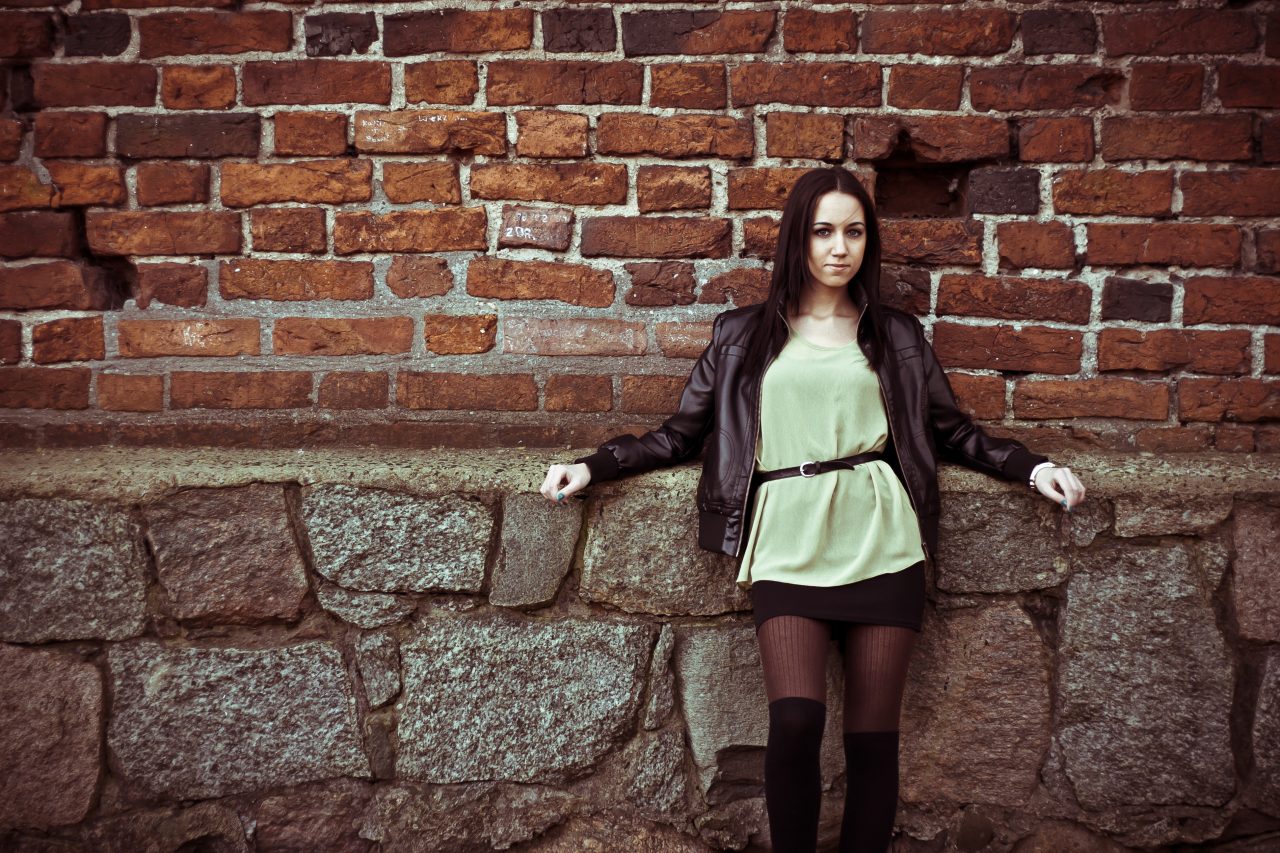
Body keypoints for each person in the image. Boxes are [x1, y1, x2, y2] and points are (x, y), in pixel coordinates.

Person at [539, 166, 1085, 852]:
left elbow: (952, 431)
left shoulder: (896, 335)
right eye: (824, 231)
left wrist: (1034, 468)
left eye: (854, 232)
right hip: (786, 539)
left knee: (872, 739)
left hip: (881, 537)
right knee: (795, 722)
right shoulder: (742, 335)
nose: (839, 247)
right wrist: (593, 465)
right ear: (798, 237)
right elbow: (679, 434)